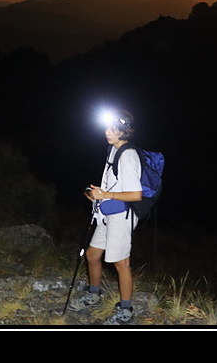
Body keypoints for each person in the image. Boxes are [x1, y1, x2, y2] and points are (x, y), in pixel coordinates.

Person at [69, 110, 142, 325]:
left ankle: (126, 311)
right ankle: (94, 294)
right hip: (107, 212)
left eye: (112, 129)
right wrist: (98, 193)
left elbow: (136, 195)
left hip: (122, 217)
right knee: (92, 256)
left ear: (124, 131)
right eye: (107, 127)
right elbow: (115, 183)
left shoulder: (128, 155)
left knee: (122, 264)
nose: (107, 132)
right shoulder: (113, 149)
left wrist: (106, 195)